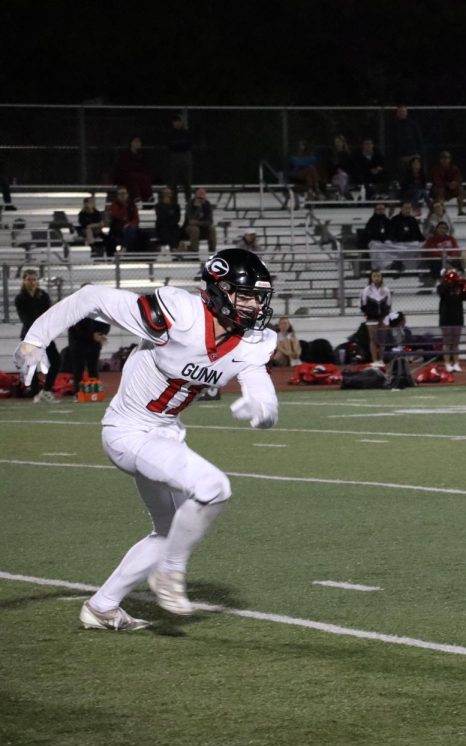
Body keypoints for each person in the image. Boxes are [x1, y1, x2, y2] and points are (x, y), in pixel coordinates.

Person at [13, 249, 279, 630]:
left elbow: (262, 389)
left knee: (168, 529)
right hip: (128, 431)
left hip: (166, 434)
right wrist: (35, 339)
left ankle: (102, 607)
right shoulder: (178, 313)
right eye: (246, 295)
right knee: (214, 488)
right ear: (218, 291)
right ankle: (170, 571)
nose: (255, 306)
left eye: (259, 297)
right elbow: (90, 297)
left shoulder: (254, 341)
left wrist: (263, 410)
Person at [15, 270, 63, 403]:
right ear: (24, 281)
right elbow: (25, 318)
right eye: (29, 279)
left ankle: (46, 390)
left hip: (45, 335)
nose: (32, 282)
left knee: (56, 360)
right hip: (30, 335)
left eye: (34, 279)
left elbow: (49, 313)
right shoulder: (20, 298)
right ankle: (35, 392)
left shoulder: (43, 296)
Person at [66, 313, 110, 393]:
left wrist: (102, 333)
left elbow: (106, 321)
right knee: (78, 368)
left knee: (93, 367)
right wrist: (92, 335)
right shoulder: (78, 306)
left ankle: (94, 391)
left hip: (94, 341)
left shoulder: (100, 306)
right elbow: (76, 326)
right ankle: (78, 392)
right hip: (78, 340)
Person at [438, 267, 466, 372]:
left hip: (457, 316)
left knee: (456, 342)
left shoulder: (459, 286)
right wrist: (448, 281)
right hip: (446, 316)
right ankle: (447, 363)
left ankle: (456, 363)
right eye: (450, 273)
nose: (452, 275)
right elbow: (442, 293)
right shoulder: (442, 286)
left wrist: (464, 286)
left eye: (454, 273)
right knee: (447, 342)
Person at [359, 270, 391, 364]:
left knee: (382, 340)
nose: (377, 278)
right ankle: (374, 360)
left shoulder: (386, 290)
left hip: (383, 317)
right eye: (374, 276)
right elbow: (362, 305)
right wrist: (369, 314)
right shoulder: (366, 290)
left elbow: (388, 304)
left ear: (381, 278)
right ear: (371, 278)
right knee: (373, 339)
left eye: (378, 276)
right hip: (372, 318)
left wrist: (383, 315)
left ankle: (381, 359)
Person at [386, 104, 424, 177]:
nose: (402, 113)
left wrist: (419, 153)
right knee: (403, 175)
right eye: (400, 111)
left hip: (413, 154)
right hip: (401, 156)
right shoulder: (394, 125)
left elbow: (418, 138)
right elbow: (392, 141)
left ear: (406, 112)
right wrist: (395, 154)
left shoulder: (413, 124)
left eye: (403, 111)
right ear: (397, 113)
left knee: (415, 174)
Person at [114, 136, 153, 204]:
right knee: (133, 178)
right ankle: (136, 197)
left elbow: (145, 167)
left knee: (145, 177)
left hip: (139, 174)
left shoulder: (142, 155)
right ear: (131, 143)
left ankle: (148, 197)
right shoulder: (125, 154)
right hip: (127, 175)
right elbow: (123, 167)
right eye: (136, 141)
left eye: (139, 142)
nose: (138, 143)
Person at [430, 151, 466, 215]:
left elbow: (459, 178)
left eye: (446, 158)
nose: (444, 160)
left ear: (449, 159)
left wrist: (455, 183)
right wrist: (448, 184)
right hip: (440, 190)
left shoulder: (454, 168)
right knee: (440, 190)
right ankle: (442, 211)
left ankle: (460, 211)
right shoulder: (436, 168)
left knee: (460, 189)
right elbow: (437, 181)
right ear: (440, 160)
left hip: (451, 190)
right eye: (443, 158)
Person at [106, 187, 142, 253]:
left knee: (139, 233)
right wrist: (124, 208)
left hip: (131, 226)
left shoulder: (132, 205)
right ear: (117, 195)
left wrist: (129, 223)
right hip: (118, 227)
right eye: (121, 194)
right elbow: (116, 215)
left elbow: (136, 219)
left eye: (124, 193)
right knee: (129, 231)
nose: (123, 195)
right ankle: (125, 249)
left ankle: (125, 248)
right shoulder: (115, 204)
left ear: (127, 195)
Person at [166, 113, 193, 200]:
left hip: (185, 161)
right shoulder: (170, 134)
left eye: (178, 121)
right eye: (175, 122)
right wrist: (179, 145)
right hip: (174, 161)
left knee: (187, 184)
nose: (177, 123)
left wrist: (178, 146)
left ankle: (188, 202)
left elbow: (189, 145)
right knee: (173, 184)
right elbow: (170, 146)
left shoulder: (186, 133)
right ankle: (174, 204)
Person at [185, 187, 217, 253]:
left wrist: (198, 223)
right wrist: (198, 208)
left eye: (203, 193)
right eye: (200, 193)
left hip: (203, 227)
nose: (201, 195)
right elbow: (191, 221)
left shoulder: (207, 204)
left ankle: (212, 251)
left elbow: (210, 221)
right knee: (195, 229)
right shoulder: (190, 204)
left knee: (212, 228)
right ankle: (194, 251)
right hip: (190, 227)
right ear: (195, 194)